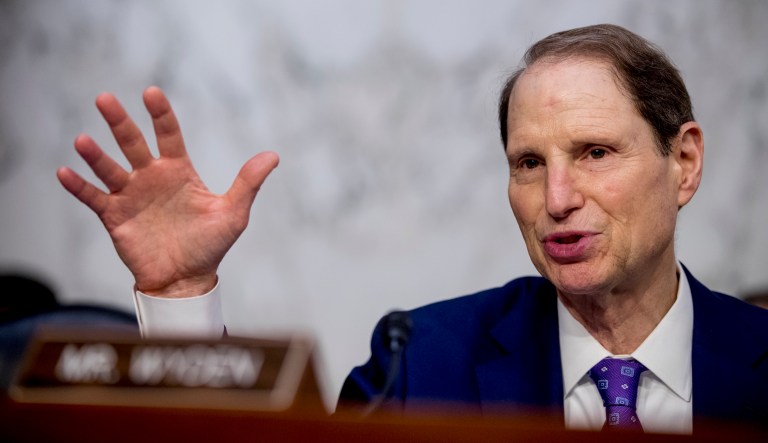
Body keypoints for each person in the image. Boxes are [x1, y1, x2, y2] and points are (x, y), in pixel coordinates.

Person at [57, 24, 767, 434]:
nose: (556, 197)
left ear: (684, 161)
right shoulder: (422, 366)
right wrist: (181, 292)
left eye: (594, 153)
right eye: (527, 162)